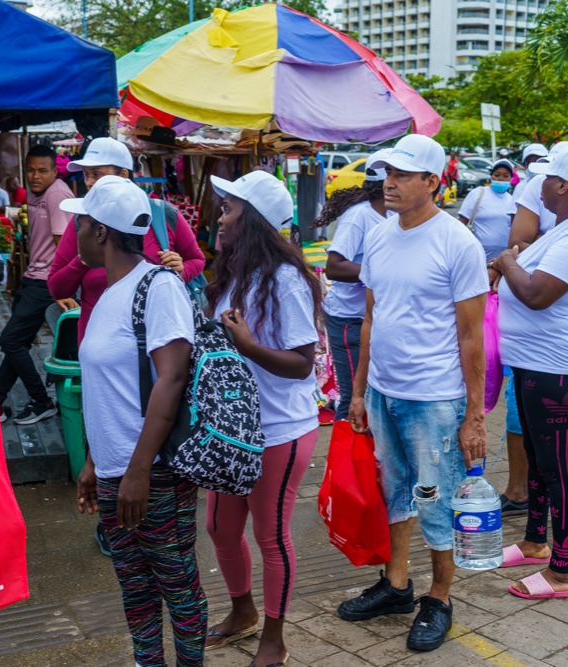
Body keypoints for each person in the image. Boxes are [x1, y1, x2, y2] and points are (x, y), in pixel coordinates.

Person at [337, 135, 488, 653]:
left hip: (435, 399)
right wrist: (358, 392)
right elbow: (371, 319)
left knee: (434, 499)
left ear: (432, 181)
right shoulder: (379, 235)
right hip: (383, 391)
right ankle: (396, 584)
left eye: (403, 175)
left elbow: (473, 336)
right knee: (394, 492)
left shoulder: (457, 243)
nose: (390, 183)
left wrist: (475, 416)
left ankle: (439, 598)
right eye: (387, 174)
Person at [70, 176, 207, 667]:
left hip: (153, 474)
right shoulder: (109, 292)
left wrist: (138, 471)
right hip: (113, 471)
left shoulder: (159, 286)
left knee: (177, 583)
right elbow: (109, 391)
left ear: (102, 231)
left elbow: (170, 380)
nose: (75, 232)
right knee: (134, 585)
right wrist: (93, 462)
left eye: (80, 223)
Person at [200, 171, 321, 667]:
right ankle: (243, 611)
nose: (221, 218)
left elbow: (302, 362)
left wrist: (249, 345)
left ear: (252, 220)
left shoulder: (285, 280)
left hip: (280, 430)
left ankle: (275, 637)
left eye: (229, 210)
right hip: (234, 429)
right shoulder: (234, 273)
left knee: (270, 536)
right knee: (220, 530)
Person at [492, 145, 568, 599]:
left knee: (558, 469)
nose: (534, 184)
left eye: (544, 178)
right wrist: (507, 264)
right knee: (541, 461)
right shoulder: (561, 230)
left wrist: (506, 263)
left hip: (556, 367)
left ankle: (562, 573)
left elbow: (538, 294)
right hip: (532, 361)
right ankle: (536, 542)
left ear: (562, 186)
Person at [48, 137, 205, 343]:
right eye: (86, 175)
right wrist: (83, 259)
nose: (89, 182)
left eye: (97, 174)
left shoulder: (160, 214)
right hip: (98, 343)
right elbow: (57, 289)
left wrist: (181, 271)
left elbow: (197, 260)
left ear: (123, 175)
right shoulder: (82, 222)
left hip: (158, 341)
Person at [0, 145, 73, 425]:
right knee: (16, 342)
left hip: (46, 282)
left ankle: (42, 400)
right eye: (31, 170)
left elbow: (65, 247)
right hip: (33, 277)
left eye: (42, 171)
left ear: (54, 172)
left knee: (10, 340)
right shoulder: (37, 194)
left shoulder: (57, 194)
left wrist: (61, 288)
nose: (35, 176)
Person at [315, 149, 394, 422]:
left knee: (375, 396)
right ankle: (344, 462)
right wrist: (382, 274)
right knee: (353, 399)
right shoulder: (359, 216)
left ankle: (372, 460)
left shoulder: (397, 217)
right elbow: (334, 267)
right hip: (349, 320)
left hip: (378, 318)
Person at [458, 159, 517, 261]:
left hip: (502, 259)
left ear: (511, 178)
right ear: (491, 176)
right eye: (497, 175)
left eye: (505, 176)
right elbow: (462, 223)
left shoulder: (512, 200)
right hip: (476, 255)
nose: (501, 179)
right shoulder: (478, 193)